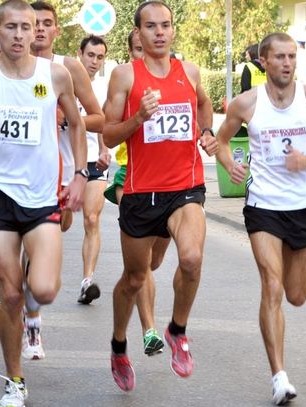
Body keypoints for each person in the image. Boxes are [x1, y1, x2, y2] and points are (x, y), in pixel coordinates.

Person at [0, 1, 87, 406]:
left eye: (26, 27)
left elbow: (77, 126)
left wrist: (79, 175)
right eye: (11, 27)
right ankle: (14, 381)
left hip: (43, 195)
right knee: (9, 294)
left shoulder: (55, 75)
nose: (19, 35)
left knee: (42, 290)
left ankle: (31, 297)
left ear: (34, 32)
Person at [215, 32, 306, 405]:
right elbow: (223, 140)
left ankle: (279, 368)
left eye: (292, 56)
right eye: (279, 57)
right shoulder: (246, 104)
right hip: (263, 206)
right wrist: (231, 165)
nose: (288, 63)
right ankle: (279, 377)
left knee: (296, 295)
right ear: (264, 61)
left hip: (304, 205)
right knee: (272, 287)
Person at [103, 1, 217, 391]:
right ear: (138, 33)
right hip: (140, 192)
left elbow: (203, 102)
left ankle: (177, 330)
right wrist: (138, 119)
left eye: (165, 25)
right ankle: (119, 345)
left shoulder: (190, 71)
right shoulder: (124, 77)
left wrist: (205, 131)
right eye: (151, 26)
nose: (159, 33)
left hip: (185, 187)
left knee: (192, 257)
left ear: (172, 30)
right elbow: (108, 133)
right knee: (135, 278)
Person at [20, 0, 104, 361]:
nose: (38, 29)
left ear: (56, 30)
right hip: (22, 176)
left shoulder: (68, 68)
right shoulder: (8, 67)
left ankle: (27, 295)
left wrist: (68, 121)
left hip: (64, 174)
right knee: (30, 246)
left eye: (46, 23)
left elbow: (99, 117)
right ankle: (32, 323)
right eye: (32, 23)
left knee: (62, 229)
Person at [103, 29, 169, 357]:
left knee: (151, 263)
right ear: (131, 52)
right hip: (130, 177)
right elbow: (106, 127)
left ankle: (132, 280)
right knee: (142, 268)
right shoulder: (125, 83)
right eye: (138, 50)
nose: (145, 54)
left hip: (168, 182)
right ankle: (149, 330)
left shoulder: (173, 79)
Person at [76, 34, 110, 304]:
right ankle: (25, 281)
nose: (95, 62)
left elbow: (102, 122)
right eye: (91, 55)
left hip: (94, 161)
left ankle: (87, 281)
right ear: (80, 53)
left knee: (92, 219)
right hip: (65, 162)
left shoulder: (104, 87)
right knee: (51, 223)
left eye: (100, 57)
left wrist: (103, 149)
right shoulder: (64, 79)